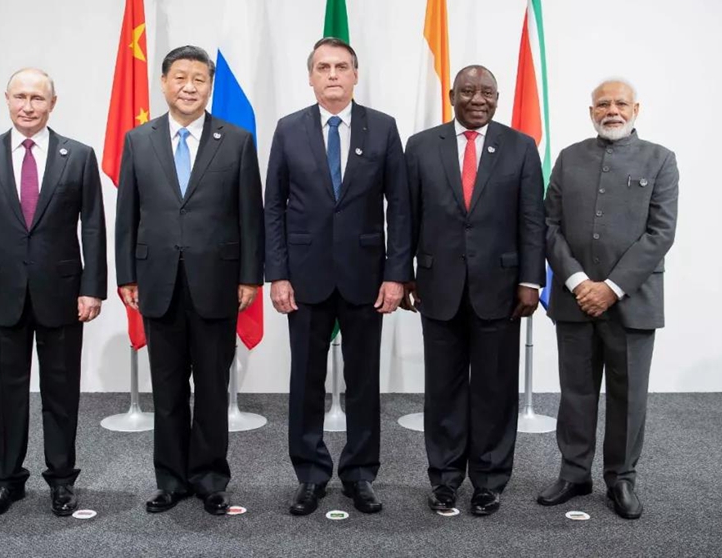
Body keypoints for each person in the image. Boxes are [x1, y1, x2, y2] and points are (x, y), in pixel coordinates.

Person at [115, 45, 264, 516]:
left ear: (209, 86)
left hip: (217, 282)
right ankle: (170, 480)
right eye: (180, 77)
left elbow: (251, 215)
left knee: (213, 389)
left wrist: (250, 277)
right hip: (157, 282)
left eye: (199, 79)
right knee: (168, 389)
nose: (189, 87)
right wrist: (126, 275)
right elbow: (126, 215)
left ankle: (211, 480)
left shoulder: (236, 140)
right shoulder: (138, 140)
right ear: (163, 83)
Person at [264, 37, 410, 516]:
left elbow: (400, 208)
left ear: (355, 75)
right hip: (304, 277)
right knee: (305, 379)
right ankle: (310, 474)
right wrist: (277, 273)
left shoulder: (383, 128)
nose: (332, 75)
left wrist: (396, 274)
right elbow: (273, 207)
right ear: (310, 77)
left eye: (341, 67)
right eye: (323, 67)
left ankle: (360, 474)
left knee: (363, 380)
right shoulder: (289, 129)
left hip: (366, 277)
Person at [0, 68, 106, 518]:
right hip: (0, 291)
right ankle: (6, 482)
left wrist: (92, 288)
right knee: (7, 393)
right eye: (20, 97)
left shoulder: (78, 156)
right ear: (6, 99)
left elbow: (93, 227)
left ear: (52, 104)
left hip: (62, 293)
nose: (28, 106)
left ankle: (62, 481)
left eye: (37, 98)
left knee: (61, 392)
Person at [403, 64, 545, 516]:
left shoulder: (521, 147)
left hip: (501, 289)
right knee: (443, 390)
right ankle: (444, 479)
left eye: (487, 92)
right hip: (437, 286)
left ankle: (489, 481)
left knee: (494, 389)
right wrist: (403, 274)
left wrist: (531, 280)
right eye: (468, 91)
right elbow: (406, 216)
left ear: (498, 99)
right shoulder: (421, 146)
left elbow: (532, 220)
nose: (478, 99)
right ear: (451, 96)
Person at [537, 79, 678, 520]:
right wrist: (580, 281)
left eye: (620, 103)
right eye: (602, 104)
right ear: (591, 111)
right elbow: (549, 226)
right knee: (575, 393)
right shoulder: (569, 157)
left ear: (636, 108)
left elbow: (661, 233)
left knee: (628, 396)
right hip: (574, 299)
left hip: (632, 302)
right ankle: (574, 474)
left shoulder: (661, 160)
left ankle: (621, 479)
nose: (611, 110)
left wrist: (611, 287)